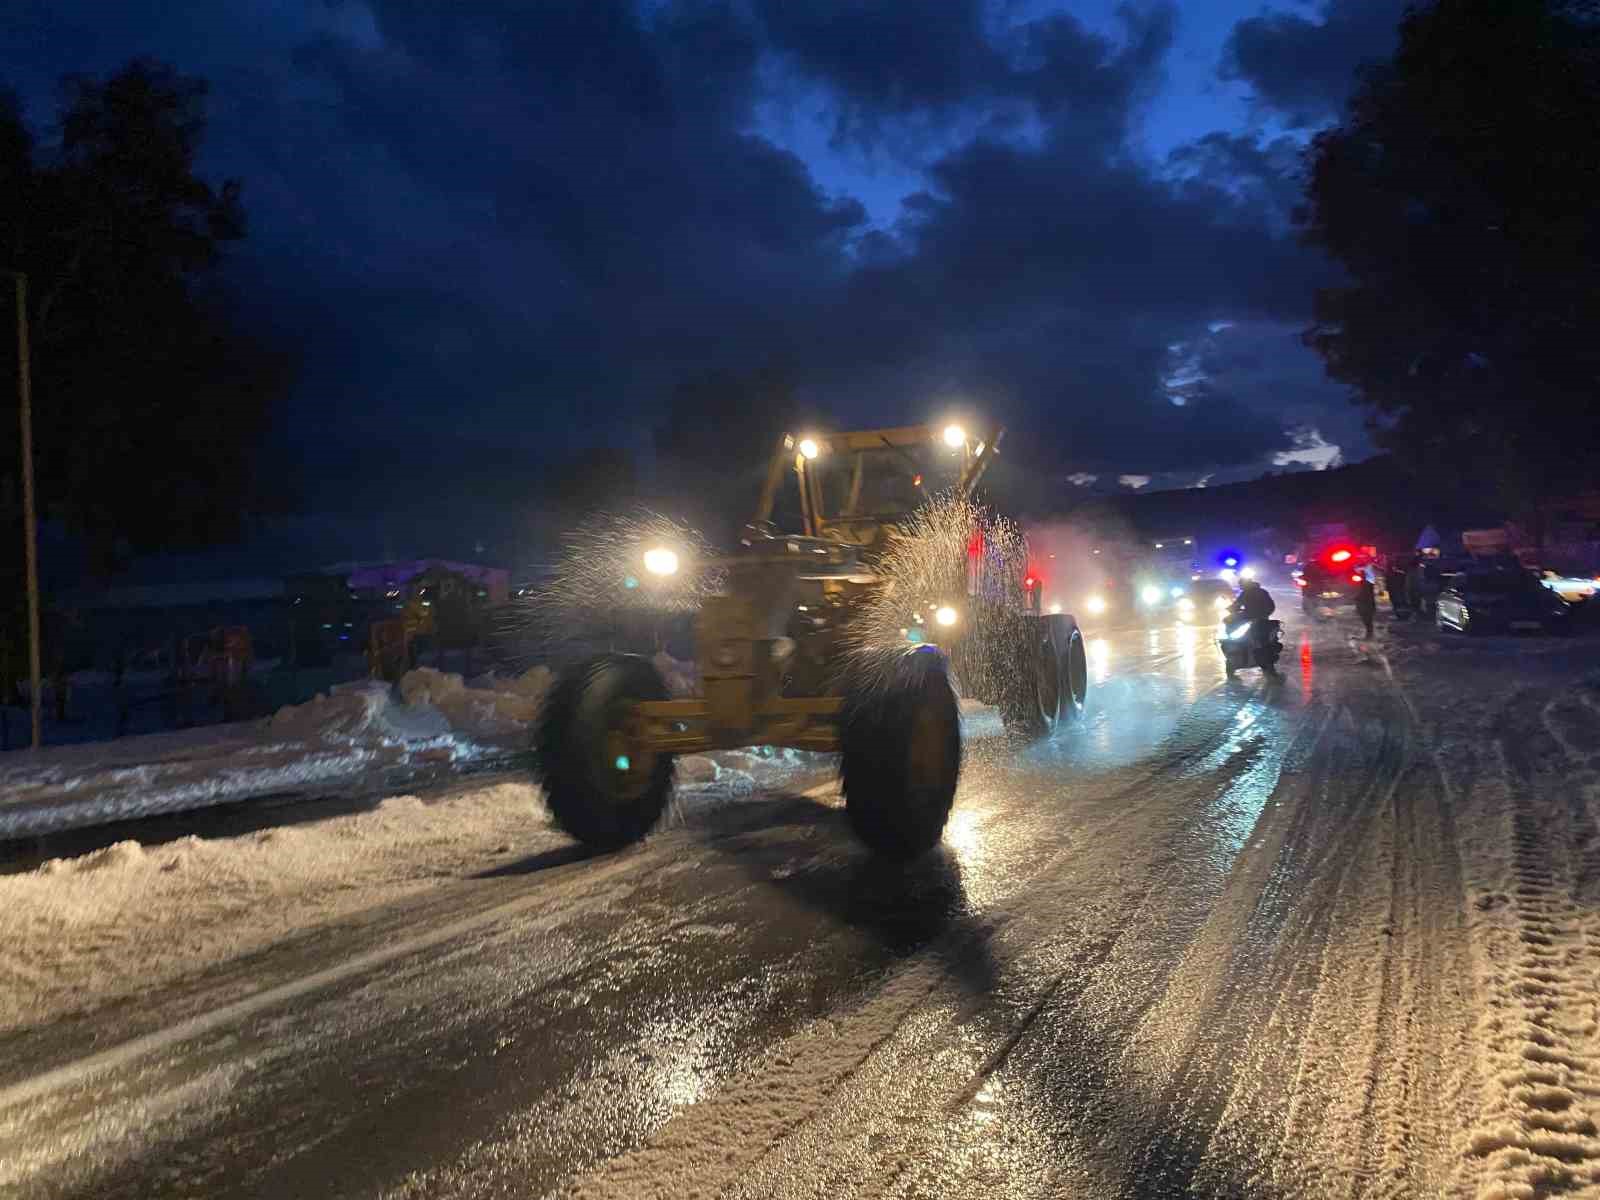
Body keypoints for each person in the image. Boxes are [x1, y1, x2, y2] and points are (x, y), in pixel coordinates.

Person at [1355, 566, 1377, 638]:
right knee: (1364, 612)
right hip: (1363, 593)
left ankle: (1370, 632)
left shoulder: (1367, 569)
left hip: (1366, 594)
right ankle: (1369, 631)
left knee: (1366, 612)